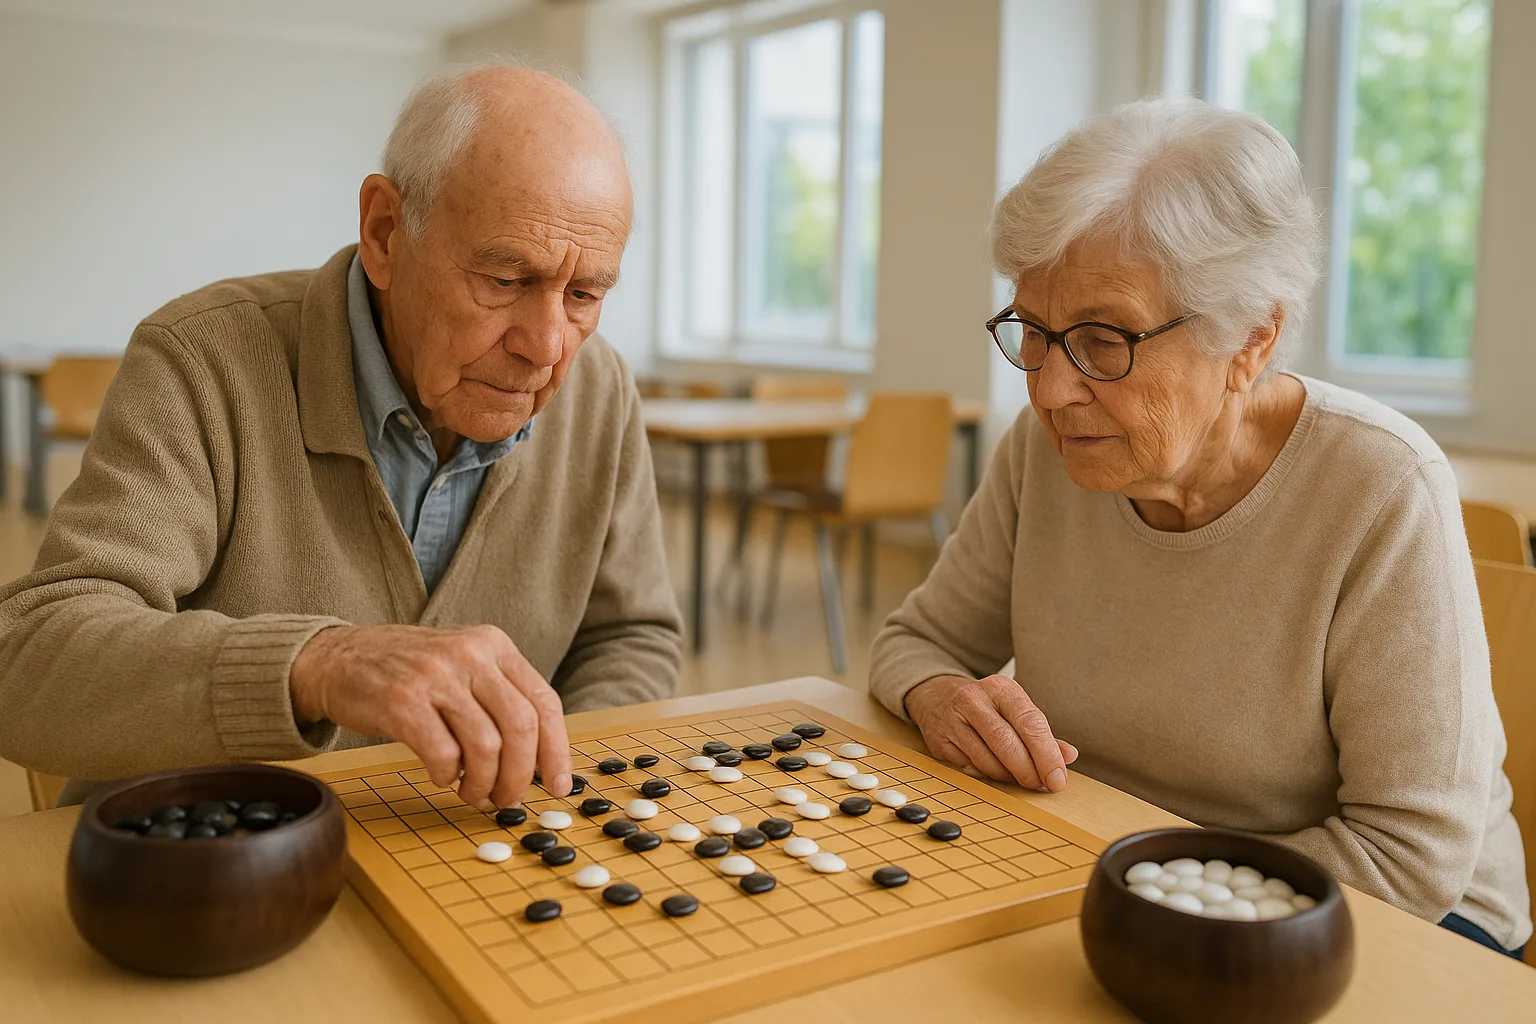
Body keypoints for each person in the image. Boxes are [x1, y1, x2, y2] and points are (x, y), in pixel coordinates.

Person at [870, 97, 1530, 958]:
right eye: (1032, 331)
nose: (1048, 390)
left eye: (1103, 340)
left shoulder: (1380, 485)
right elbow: (912, 642)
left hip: (1394, 926)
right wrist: (941, 695)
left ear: (1253, 339)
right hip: (1117, 875)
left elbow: (1408, 856)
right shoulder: (1046, 451)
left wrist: (1127, 883)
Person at [0, 63, 682, 811]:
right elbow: (27, 663)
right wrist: (320, 664)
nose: (548, 345)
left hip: (463, 859)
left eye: (584, 294)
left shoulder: (600, 387)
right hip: (207, 878)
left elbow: (631, 637)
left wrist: (555, 791)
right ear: (385, 231)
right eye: (506, 279)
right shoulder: (203, 359)